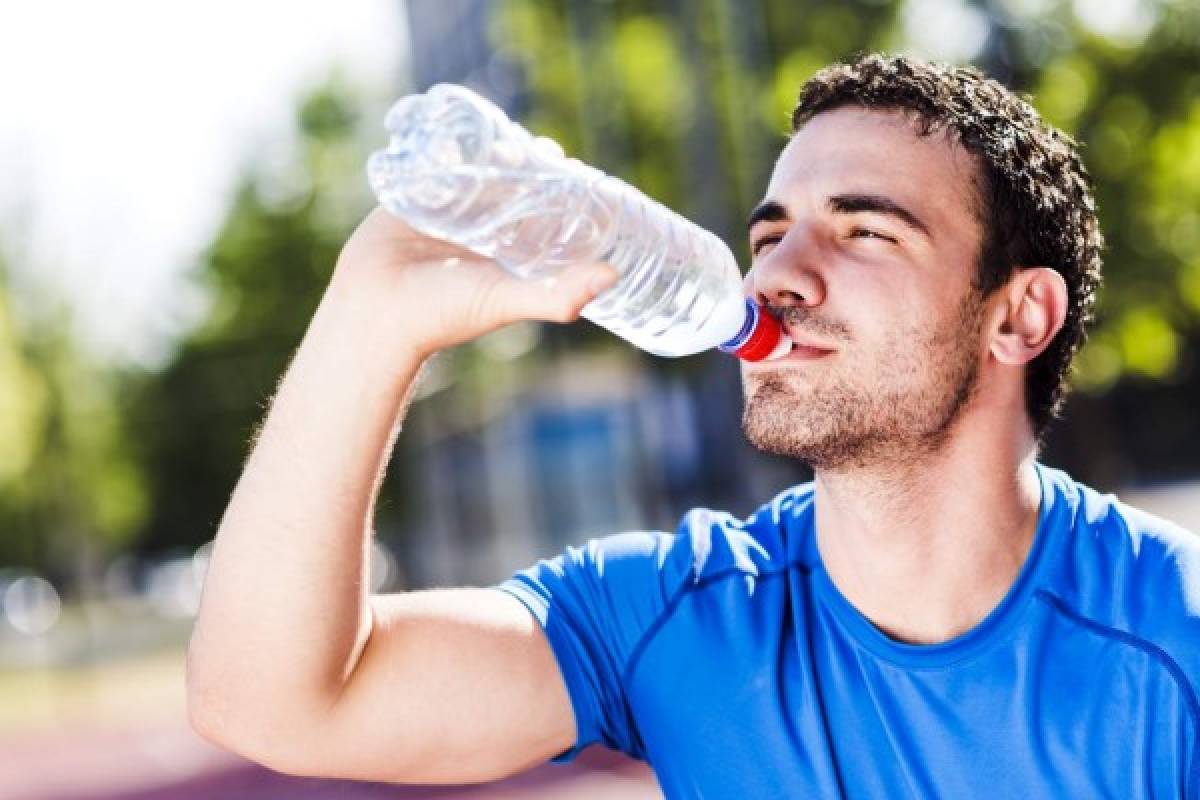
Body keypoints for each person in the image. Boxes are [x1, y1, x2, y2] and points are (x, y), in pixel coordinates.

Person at [186, 53, 1200, 798]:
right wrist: (370, 322)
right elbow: (270, 702)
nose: (778, 274)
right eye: (770, 234)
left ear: (1017, 315)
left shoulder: (1173, 642)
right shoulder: (674, 615)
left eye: (864, 231)